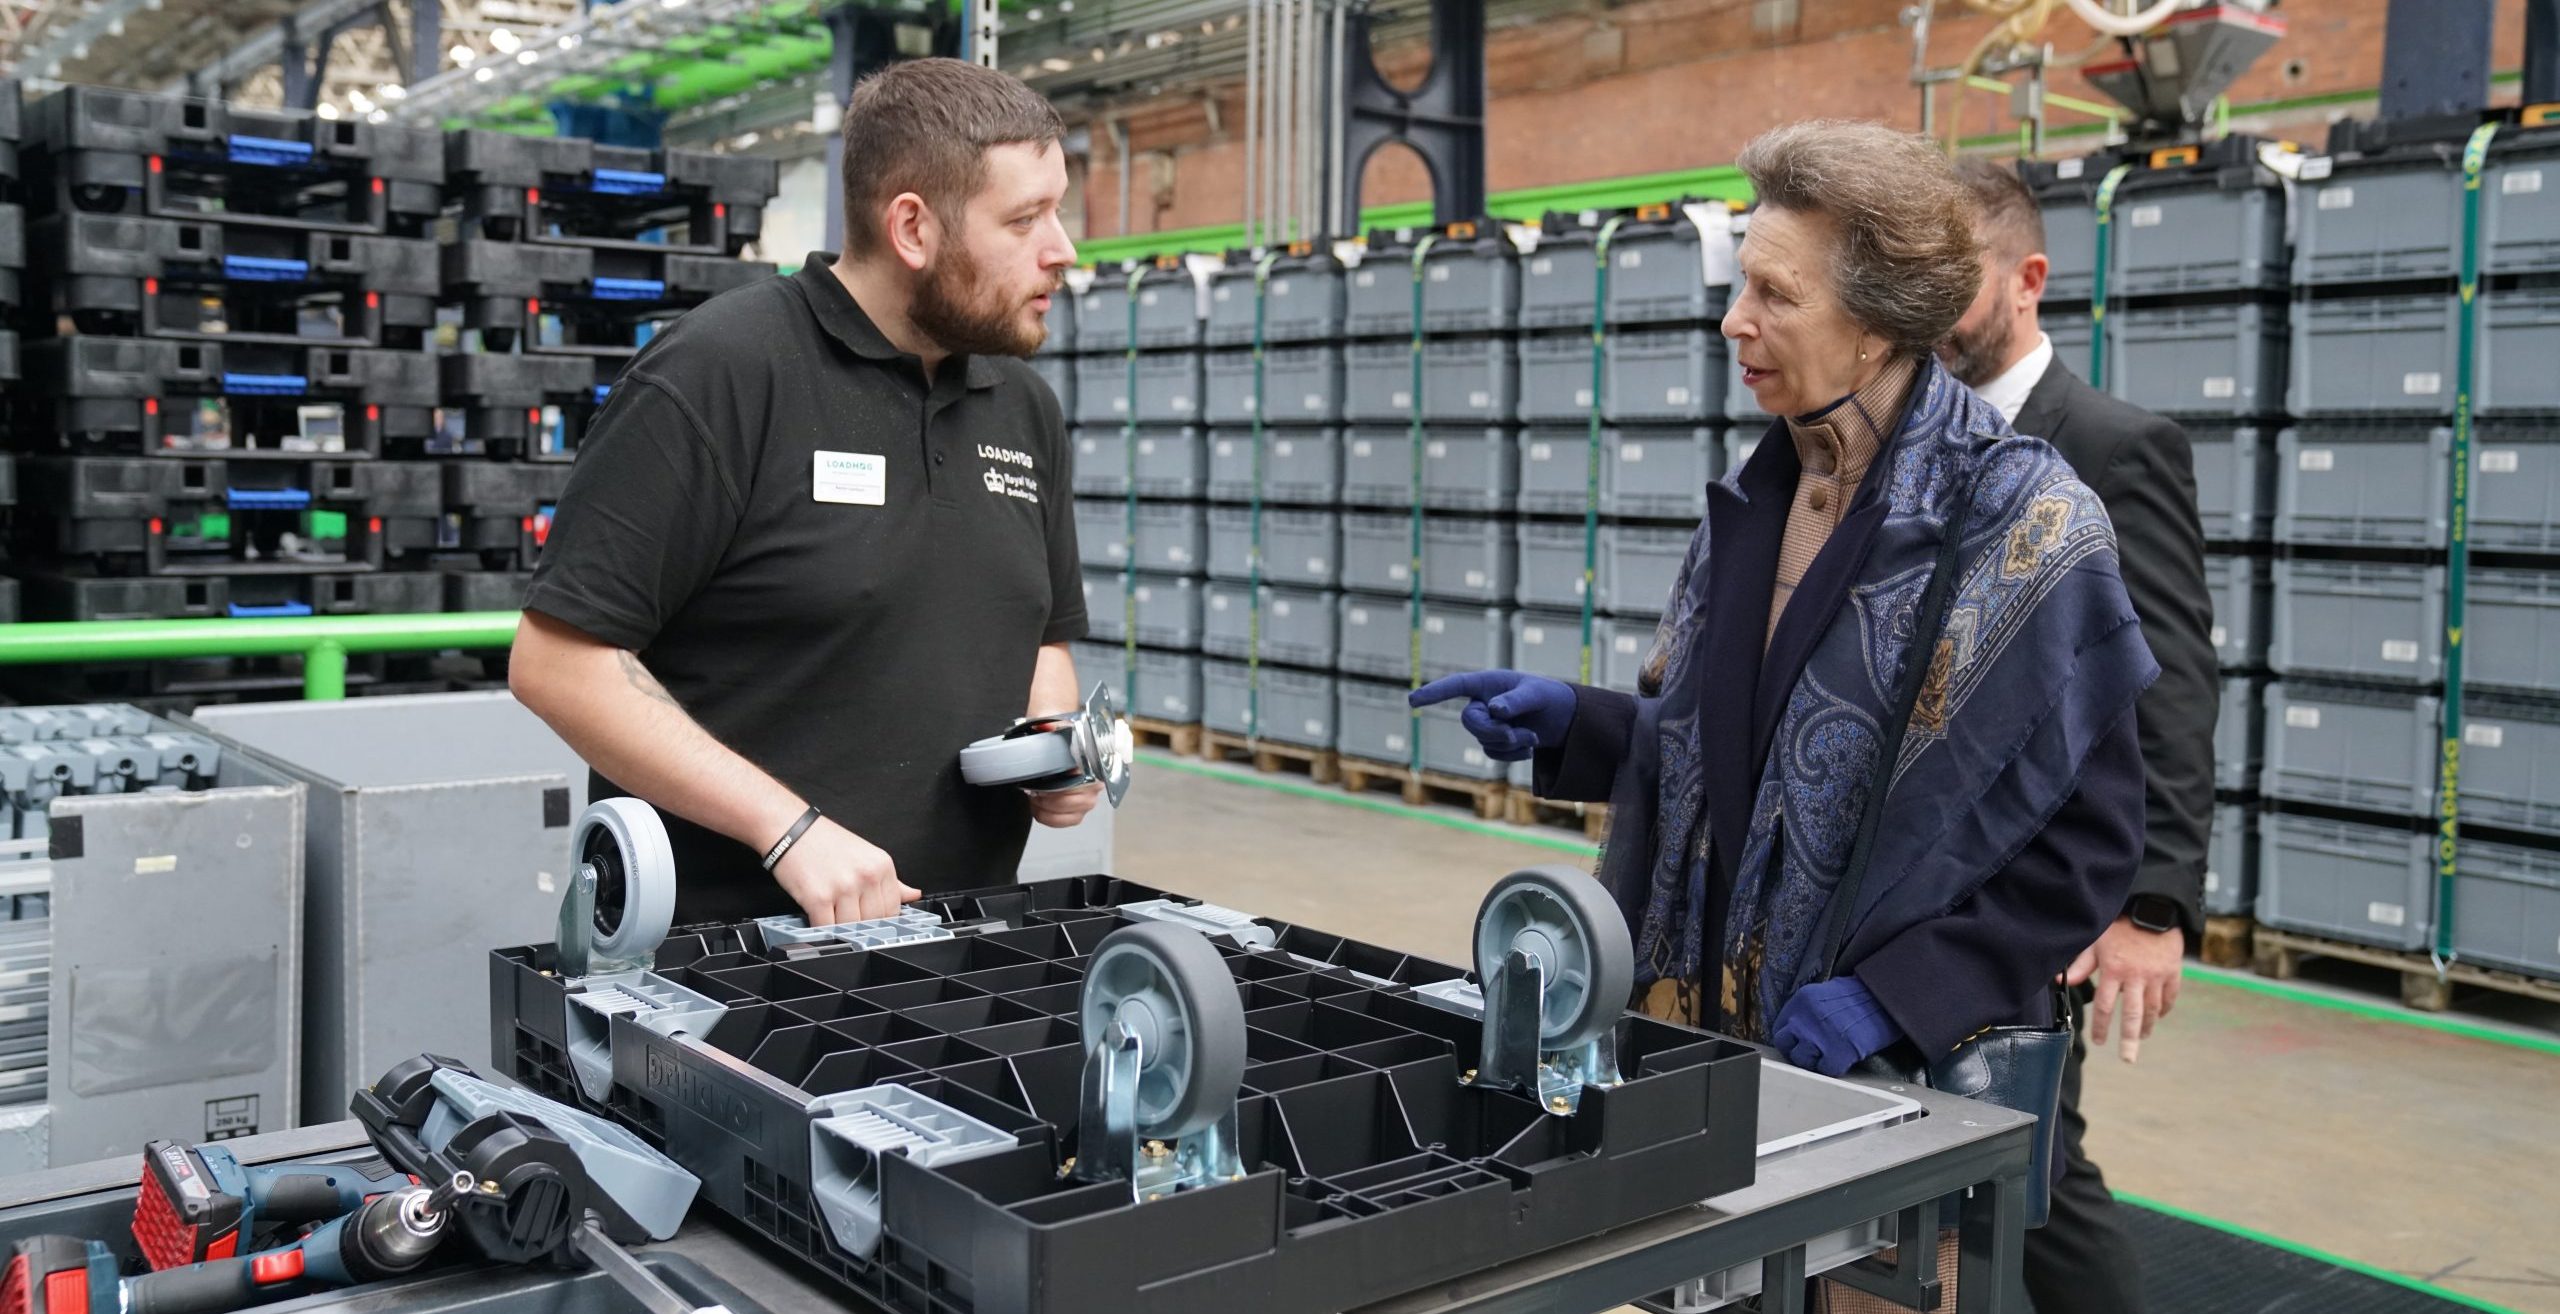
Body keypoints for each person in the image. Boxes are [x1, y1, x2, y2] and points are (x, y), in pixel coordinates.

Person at [1414, 120, 2157, 1305]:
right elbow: (1747, 755)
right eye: (1738, 284)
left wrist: (1897, 994)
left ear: (1874, 323)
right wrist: (1578, 727)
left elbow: (2090, 843)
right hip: (1716, 1048)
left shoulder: (2025, 527)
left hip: (1892, 1080)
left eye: (1773, 293)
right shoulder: (1764, 494)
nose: (1733, 322)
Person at [509, 58, 1096, 930]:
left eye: (1057, 210)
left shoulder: (1021, 408)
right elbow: (558, 665)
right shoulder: (722, 375)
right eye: (1025, 220)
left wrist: (1051, 747)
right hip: (721, 968)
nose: (1064, 249)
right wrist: (788, 831)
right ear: (912, 228)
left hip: (964, 946)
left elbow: (1040, 631)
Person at [1944, 158, 2217, 1314]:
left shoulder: (2111, 446)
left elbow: (2169, 682)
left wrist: (2151, 905)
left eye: (1945, 281)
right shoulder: (1911, 441)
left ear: (2027, 281)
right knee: (1981, 1155)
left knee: (2035, 1158)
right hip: (1933, 874)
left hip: (2044, 879)